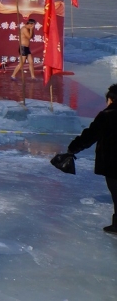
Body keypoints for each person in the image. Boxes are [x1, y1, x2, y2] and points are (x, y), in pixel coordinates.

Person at [66, 84, 117, 234]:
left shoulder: (107, 115)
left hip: (113, 162)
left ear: (111, 100)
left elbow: (90, 136)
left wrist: (72, 149)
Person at [10, 18, 37, 82]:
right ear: (30, 24)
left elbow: (32, 36)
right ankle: (13, 75)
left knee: (31, 62)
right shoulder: (24, 29)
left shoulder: (29, 29)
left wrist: (31, 30)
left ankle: (33, 76)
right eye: (33, 25)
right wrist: (31, 29)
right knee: (22, 63)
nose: (34, 26)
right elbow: (29, 37)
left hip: (27, 48)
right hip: (23, 48)